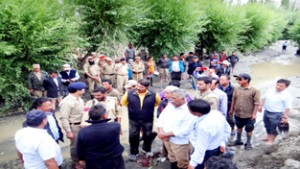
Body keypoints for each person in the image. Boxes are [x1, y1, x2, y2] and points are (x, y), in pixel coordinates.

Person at [120, 79, 161, 161]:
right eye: (137, 86)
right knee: (133, 136)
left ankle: (146, 149)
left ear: (147, 87)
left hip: (148, 119)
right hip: (133, 119)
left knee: (148, 135)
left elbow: (157, 103)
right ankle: (134, 152)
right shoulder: (129, 93)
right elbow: (123, 102)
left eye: (141, 87)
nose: (138, 88)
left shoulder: (154, 94)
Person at [157, 89, 196, 169]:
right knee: (172, 158)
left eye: (173, 98)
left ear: (182, 98)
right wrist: (161, 131)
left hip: (180, 142)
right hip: (166, 139)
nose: (170, 100)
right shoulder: (170, 105)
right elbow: (161, 117)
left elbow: (185, 130)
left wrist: (165, 134)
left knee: (182, 162)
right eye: (170, 97)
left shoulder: (189, 111)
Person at [77, 104, 125, 169]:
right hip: (114, 160)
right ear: (104, 116)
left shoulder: (83, 132)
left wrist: (81, 159)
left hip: (94, 162)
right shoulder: (115, 126)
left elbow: (80, 149)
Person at [187, 99, 231, 169]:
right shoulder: (217, 114)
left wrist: (192, 163)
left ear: (196, 113)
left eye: (189, 109)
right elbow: (227, 129)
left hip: (206, 152)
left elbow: (201, 147)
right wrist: (222, 142)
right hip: (216, 148)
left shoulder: (202, 126)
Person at [229, 74, 260, 150]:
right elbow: (234, 99)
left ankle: (248, 142)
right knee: (239, 126)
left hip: (249, 115)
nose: (238, 81)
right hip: (238, 113)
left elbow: (257, 103)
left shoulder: (255, 90)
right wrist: (231, 109)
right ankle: (238, 140)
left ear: (246, 80)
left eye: (240, 79)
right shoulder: (236, 89)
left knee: (249, 129)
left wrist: (254, 114)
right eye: (237, 79)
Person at [59, 82, 86, 168]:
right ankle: (76, 163)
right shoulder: (67, 102)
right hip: (74, 127)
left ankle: (82, 160)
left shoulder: (79, 99)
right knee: (75, 146)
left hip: (82, 125)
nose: (84, 90)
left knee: (83, 144)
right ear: (78, 90)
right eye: (83, 88)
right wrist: (68, 131)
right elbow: (64, 118)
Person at [258, 79, 292, 145]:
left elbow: (287, 107)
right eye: (277, 85)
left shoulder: (287, 95)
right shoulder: (270, 90)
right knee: (266, 125)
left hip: (277, 114)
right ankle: (268, 136)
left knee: (273, 127)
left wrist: (285, 117)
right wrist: (261, 106)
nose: (278, 87)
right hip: (267, 111)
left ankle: (271, 140)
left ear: (286, 87)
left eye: (281, 86)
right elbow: (263, 98)